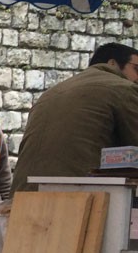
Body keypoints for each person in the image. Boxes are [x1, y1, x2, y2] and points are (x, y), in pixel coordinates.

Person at [10, 42, 138, 194]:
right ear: (112, 63)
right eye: (137, 69)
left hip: (23, 197)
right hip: (75, 200)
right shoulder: (123, 88)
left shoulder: (51, 93)